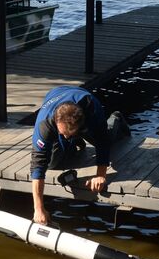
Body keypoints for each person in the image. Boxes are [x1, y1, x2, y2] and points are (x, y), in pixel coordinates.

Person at [30, 86, 130, 225]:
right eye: (63, 133)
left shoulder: (92, 108)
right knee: (53, 163)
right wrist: (38, 208)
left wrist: (101, 175)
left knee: (107, 140)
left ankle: (116, 119)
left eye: (69, 134)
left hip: (82, 107)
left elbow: (102, 143)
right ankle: (72, 141)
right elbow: (37, 164)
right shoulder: (44, 124)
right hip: (57, 94)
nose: (65, 136)